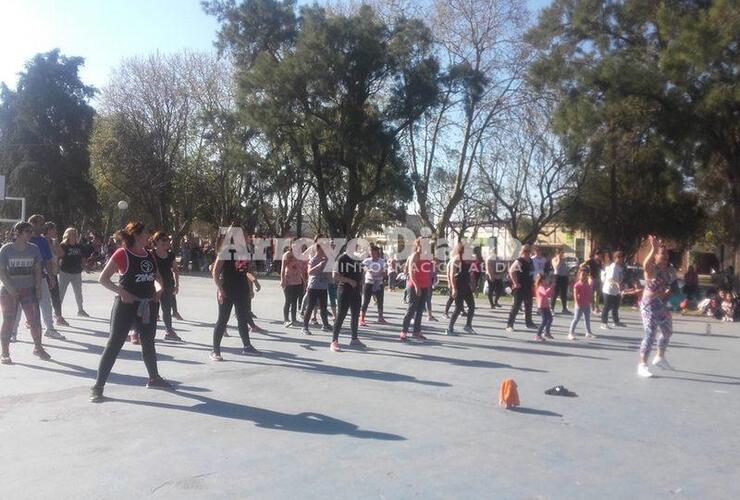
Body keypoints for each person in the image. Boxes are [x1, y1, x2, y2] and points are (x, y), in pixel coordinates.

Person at [90, 221, 171, 401]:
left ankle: (154, 378)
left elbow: (157, 277)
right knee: (114, 345)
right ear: (136, 235)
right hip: (125, 307)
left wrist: (159, 289)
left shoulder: (149, 255)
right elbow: (103, 279)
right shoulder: (122, 254)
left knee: (148, 343)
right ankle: (98, 386)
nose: (148, 236)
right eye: (145, 234)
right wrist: (121, 292)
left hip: (148, 305)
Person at [0, 222, 51, 364]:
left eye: (31, 231)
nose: (31, 234)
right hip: (9, 291)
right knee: (8, 320)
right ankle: (5, 352)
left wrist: (39, 287)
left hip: (28, 289)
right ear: (18, 232)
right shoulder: (6, 249)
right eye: (28, 231)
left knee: (34, 320)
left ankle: (38, 347)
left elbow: (37, 268)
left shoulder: (34, 249)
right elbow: (2, 272)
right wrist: (11, 289)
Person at [210, 226, 261, 361]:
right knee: (223, 320)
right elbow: (215, 272)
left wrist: (253, 285)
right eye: (244, 235)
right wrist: (220, 289)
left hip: (242, 289)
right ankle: (215, 351)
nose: (246, 237)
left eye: (246, 235)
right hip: (227, 289)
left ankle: (247, 346)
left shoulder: (246, 252)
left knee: (242, 319)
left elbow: (247, 272)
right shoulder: (226, 250)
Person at [637, 236, 677, 378]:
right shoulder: (651, 270)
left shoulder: (668, 271)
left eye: (666, 254)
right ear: (656, 256)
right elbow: (645, 264)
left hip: (660, 305)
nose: (666, 256)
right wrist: (653, 248)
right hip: (648, 306)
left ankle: (660, 357)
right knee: (650, 334)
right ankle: (642, 365)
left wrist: (666, 292)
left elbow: (668, 287)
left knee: (667, 331)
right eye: (662, 254)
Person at [330, 245, 367, 351]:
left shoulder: (357, 258)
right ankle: (334, 341)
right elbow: (335, 275)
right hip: (344, 290)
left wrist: (362, 279)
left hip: (356, 291)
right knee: (341, 315)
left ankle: (354, 339)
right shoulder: (342, 258)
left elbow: (361, 271)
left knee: (355, 315)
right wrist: (350, 281)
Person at [400, 237, 432, 341]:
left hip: (424, 286)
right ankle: (404, 331)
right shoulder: (415, 256)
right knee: (411, 309)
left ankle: (417, 332)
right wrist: (417, 286)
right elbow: (411, 272)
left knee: (420, 310)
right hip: (414, 286)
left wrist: (428, 285)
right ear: (418, 245)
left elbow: (428, 272)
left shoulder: (427, 256)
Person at [153, 231, 182, 341]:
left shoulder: (170, 255)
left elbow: (175, 270)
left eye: (167, 240)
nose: (166, 242)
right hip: (154, 285)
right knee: (153, 309)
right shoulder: (152, 254)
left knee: (166, 309)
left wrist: (177, 285)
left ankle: (169, 331)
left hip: (168, 284)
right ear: (156, 241)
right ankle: (146, 332)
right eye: (163, 240)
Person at [301, 236, 332, 335]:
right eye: (323, 248)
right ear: (318, 249)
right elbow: (309, 272)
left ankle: (325, 325)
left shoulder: (327, 259)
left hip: (323, 286)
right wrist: (319, 266)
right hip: (313, 286)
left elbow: (329, 273)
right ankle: (305, 327)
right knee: (310, 306)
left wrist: (329, 275)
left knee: (323, 307)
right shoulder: (313, 259)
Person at [58, 227, 90, 318]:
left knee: (78, 292)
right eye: (71, 234)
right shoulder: (63, 246)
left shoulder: (80, 246)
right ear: (67, 235)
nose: (74, 236)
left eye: (75, 234)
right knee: (61, 293)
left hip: (76, 272)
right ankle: (57, 312)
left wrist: (85, 267)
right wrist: (56, 268)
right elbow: (58, 258)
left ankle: (80, 310)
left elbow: (83, 259)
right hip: (65, 272)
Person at [446, 241, 476, 336]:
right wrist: (454, 288)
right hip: (458, 285)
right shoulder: (457, 259)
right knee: (458, 308)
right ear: (463, 249)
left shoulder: (470, 259)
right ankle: (449, 328)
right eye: (468, 248)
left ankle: (468, 326)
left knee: (471, 306)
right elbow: (452, 275)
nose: (470, 250)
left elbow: (471, 273)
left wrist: (473, 284)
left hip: (466, 285)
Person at [506, 245, 536, 332]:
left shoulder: (530, 260)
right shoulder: (519, 260)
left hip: (528, 285)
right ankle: (509, 325)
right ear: (523, 251)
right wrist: (515, 283)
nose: (528, 252)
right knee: (516, 305)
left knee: (529, 304)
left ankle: (529, 323)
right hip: (520, 286)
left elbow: (531, 272)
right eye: (526, 251)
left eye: (529, 251)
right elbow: (511, 271)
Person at [44, 222, 67, 327]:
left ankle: (59, 317)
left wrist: (54, 245)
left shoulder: (54, 242)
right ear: (48, 230)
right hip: (42, 273)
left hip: (53, 272)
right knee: (41, 297)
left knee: (55, 296)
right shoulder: (41, 240)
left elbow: (62, 254)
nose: (55, 231)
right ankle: (31, 320)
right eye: (53, 229)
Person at [360, 245, 387, 326]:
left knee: (380, 301)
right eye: (370, 252)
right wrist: (368, 269)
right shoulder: (367, 261)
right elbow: (362, 267)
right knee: (366, 301)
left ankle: (380, 317)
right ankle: (362, 318)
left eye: (373, 252)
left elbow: (385, 272)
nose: (372, 253)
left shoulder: (382, 261)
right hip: (369, 282)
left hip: (379, 283)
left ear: (377, 252)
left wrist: (382, 273)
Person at [280, 238, 305, 328]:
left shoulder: (300, 255)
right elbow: (282, 269)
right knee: (288, 301)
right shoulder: (287, 255)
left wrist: (304, 282)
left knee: (295, 301)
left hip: (298, 281)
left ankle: (294, 319)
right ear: (291, 245)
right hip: (288, 280)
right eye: (294, 244)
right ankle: (286, 320)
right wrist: (282, 281)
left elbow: (302, 270)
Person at [601, 251, 626, 329]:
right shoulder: (613, 267)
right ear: (617, 258)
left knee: (615, 306)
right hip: (609, 290)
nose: (623, 259)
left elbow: (619, 278)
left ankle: (616, 321)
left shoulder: (619, 267)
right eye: (622, 257)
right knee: (607, 307)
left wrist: (620, 286)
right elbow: (610, 279)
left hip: (616, 291)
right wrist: (617, 284)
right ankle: (603, 323)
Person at [569, 268, 595, 340]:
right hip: (579, 305)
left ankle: (588, 332)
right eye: (582, 274)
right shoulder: (577, 285)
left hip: (586, 304)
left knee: (587, 319)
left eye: (585, 274)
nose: (584, 276)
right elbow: (575, 295)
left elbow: (590, 294)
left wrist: (592, 304)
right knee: (576, 319)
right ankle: (571, 333)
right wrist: (577, 303)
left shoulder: (588, 284)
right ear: (579, 275)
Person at [534, 273, 554, 342]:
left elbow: (549, 294)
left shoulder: (544, 286)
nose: (547, 281)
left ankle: (546, 332)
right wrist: (551, 287)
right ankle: (538, 335)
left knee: (550, 319)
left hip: (546, 305)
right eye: (546, 279)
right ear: (542, 280)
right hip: (541, 306)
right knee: (544, 320)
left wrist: (551, 288)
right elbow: (545, 293)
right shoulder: (540, 287)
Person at [551, 247, 570, 313]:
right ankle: (552, 308)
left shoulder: (564, 260)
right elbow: (556, 267)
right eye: (561, 253)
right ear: (557, 253)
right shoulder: (554, 259)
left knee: (563, 294)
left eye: (563, 253)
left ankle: (564, 308)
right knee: (555, 293)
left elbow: (565, 269)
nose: (562, 254)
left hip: (564, 277)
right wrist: (559, 259)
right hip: (557, 276)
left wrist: (568, 276)